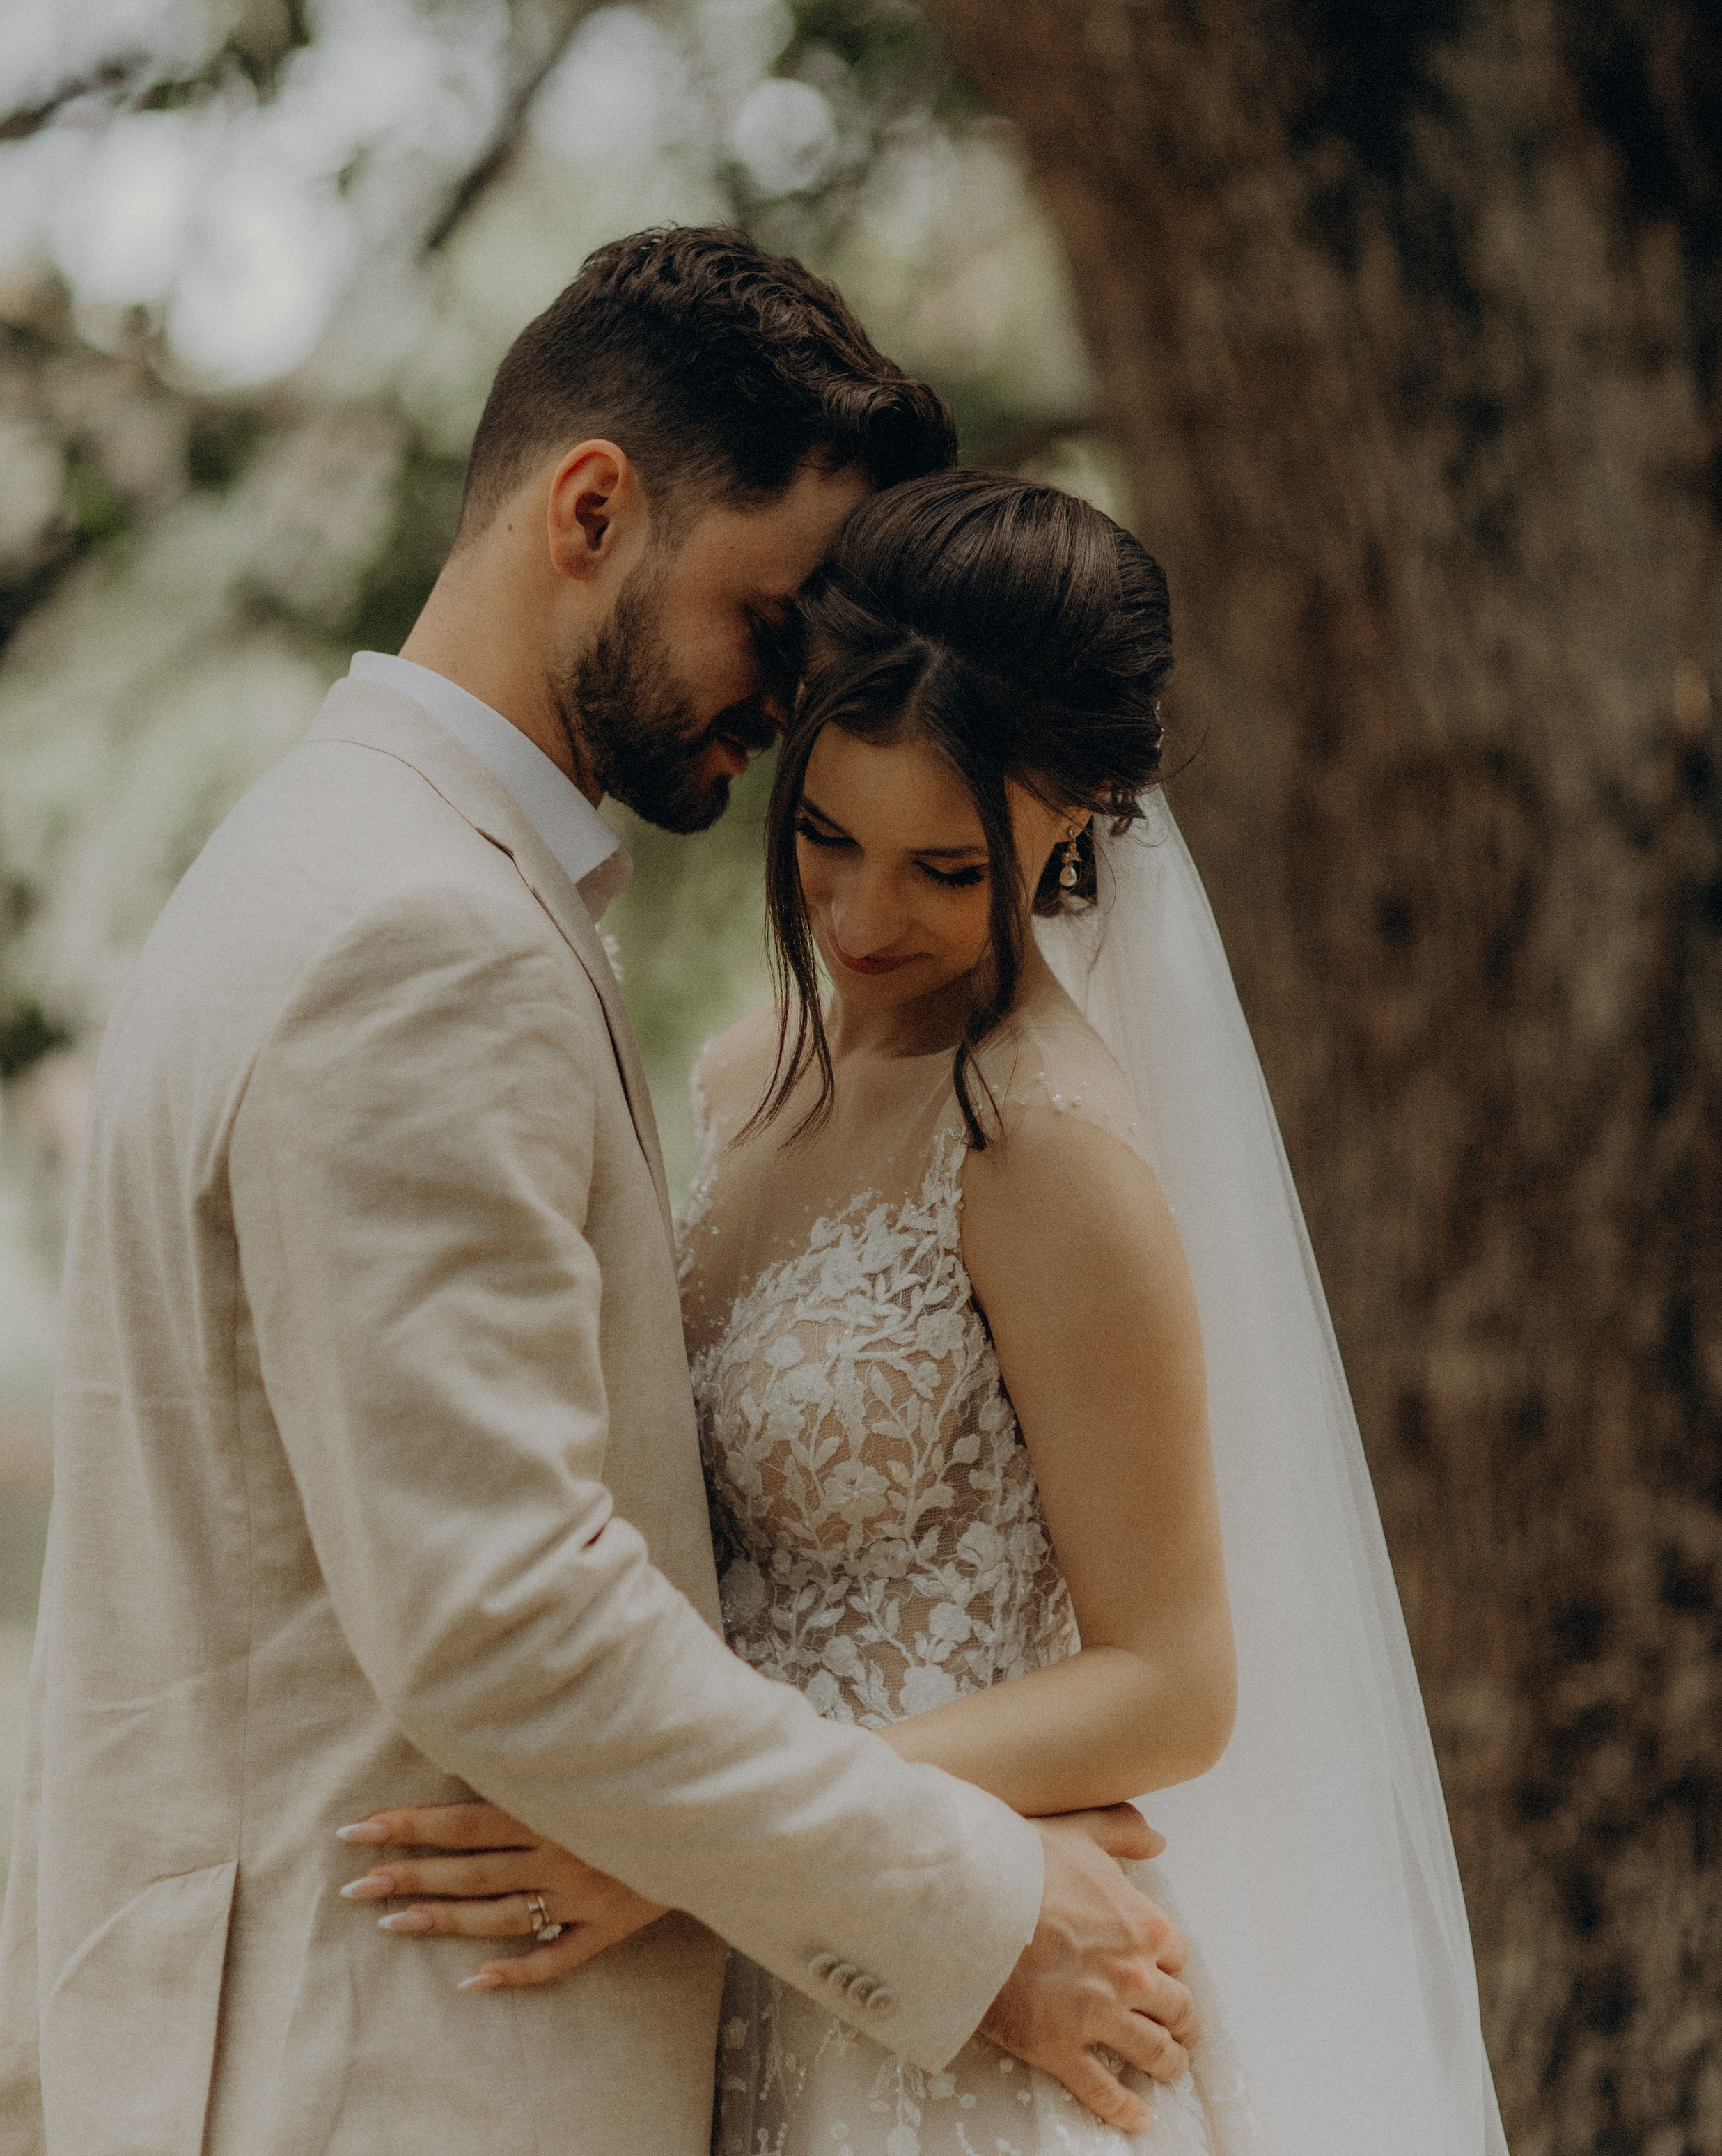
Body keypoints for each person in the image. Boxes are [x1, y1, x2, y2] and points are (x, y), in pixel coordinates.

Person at [0, 235, 1203, 2156]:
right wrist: (973, 1904)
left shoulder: (320, 848)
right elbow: (504, 1614)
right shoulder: (421, 936)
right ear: (591, 508)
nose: (801, 693)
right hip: (386, 2071)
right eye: (776, 616)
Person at [337, 472, 1510, 2156]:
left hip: (960, 2036)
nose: (864, 919)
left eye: (943, 869)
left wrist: (685, 1836)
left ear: (1075, 818)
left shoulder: (1038, 1147)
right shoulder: (746, 1078)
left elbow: (1171, 1685)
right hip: (776, 1955)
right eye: (824, 839)